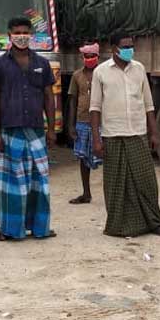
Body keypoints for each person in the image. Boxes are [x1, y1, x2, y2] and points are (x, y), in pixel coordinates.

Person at [90, 33, 160, 237]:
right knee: (116, 185)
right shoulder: (100, 73)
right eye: (125, 46)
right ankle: (118, 226)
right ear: (114, 48)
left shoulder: (139, 69)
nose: (129, 50)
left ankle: (155, 222)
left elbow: (149, 105)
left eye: (131, 46)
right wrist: (96, 139)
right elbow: (95, 109)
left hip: (138, 133)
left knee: (146, 182)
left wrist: (154, 133)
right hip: (113, 135)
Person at [0, 17, 57, 241]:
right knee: (11, 185)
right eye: (17, 32)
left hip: (35, 131)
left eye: (26, 32)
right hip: (10, 132)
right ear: (9, 35)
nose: (22, 36)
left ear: (31, 35)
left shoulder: (42, 64)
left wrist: (52, 129)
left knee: (39, 183)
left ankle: (39, 228)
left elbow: (48, 96)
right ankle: (10, 230)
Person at [67, 42, 102, 204]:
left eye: (92, 56)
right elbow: (72, 101)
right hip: (82, 120)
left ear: (98, 57)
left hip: (102, 121)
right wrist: (71, 125)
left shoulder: (103, 73)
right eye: (86, 57)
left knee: (106, 157)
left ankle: (112, 193)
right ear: (82, 58)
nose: (89, 59)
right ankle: (86, 193)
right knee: (83, 158)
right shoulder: (76, 76)